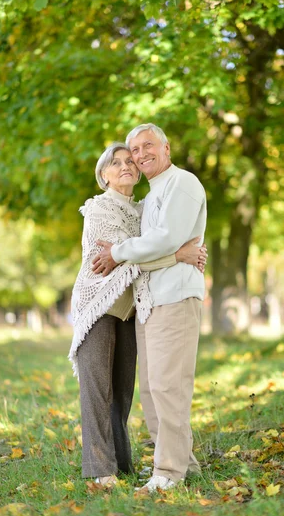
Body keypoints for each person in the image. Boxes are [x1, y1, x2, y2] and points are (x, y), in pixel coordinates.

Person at [69, 142, 206, 488]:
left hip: (130, 309)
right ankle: (99, 469)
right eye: (116, 163)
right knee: (98, 389)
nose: (126, 165)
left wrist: (177, 250)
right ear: (104, 175)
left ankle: (122, 465)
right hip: (99, 306)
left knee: (123, 391)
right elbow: (121, 262)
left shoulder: (142, 210)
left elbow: (149, 245)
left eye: (130, 161)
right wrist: (179, 256)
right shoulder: (99, 209)